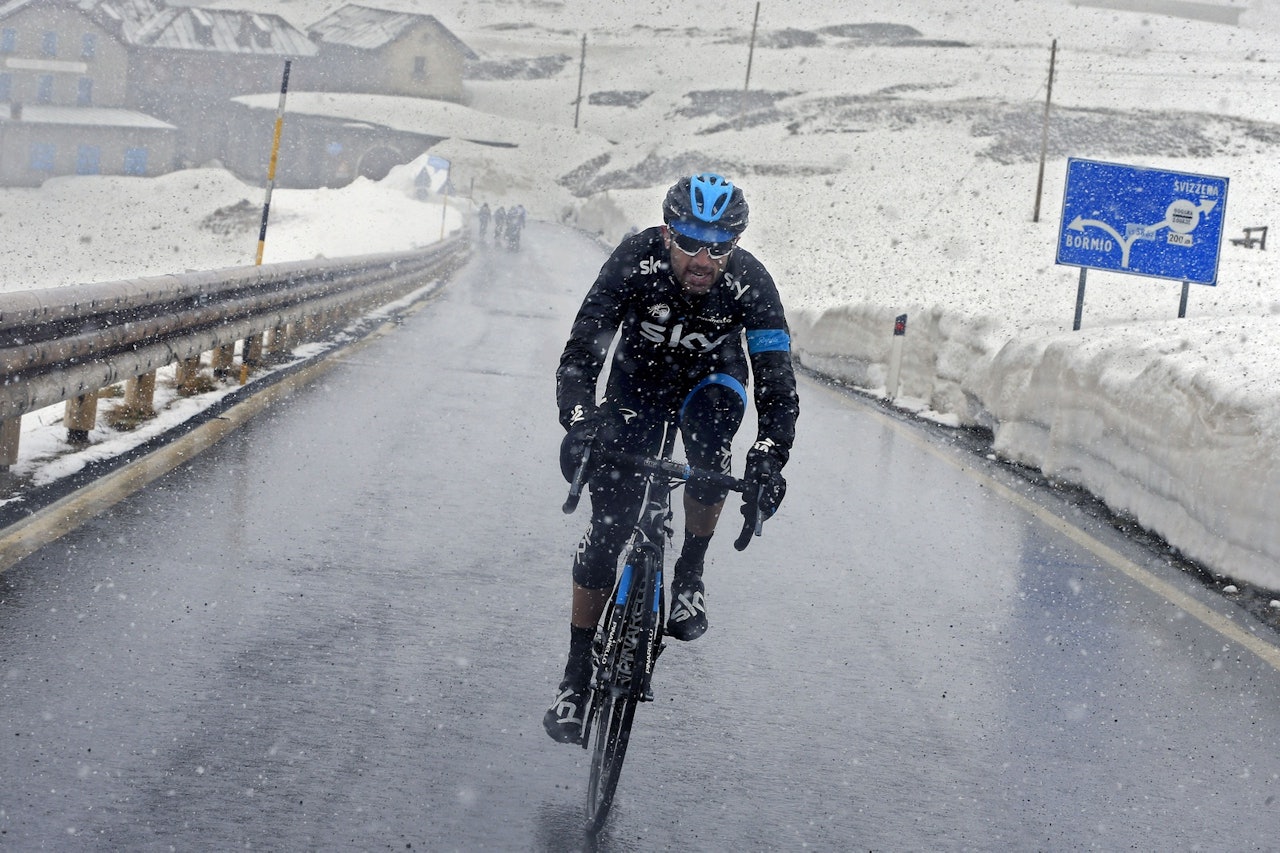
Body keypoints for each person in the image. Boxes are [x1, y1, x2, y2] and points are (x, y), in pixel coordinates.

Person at [543, 172, 799, 743]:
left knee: (711, 444)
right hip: (636, 388)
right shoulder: (634, 260)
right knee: (607, 530)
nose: (702, 259)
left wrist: (768, 455)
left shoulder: (751, 283)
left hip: (712, 386)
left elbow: (777, 384)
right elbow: (582, 353)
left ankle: (690, 570)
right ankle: (575, 673)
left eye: (719, 246)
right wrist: (582, 422)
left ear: (734, 246)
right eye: (688, 242)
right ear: (666, 233)